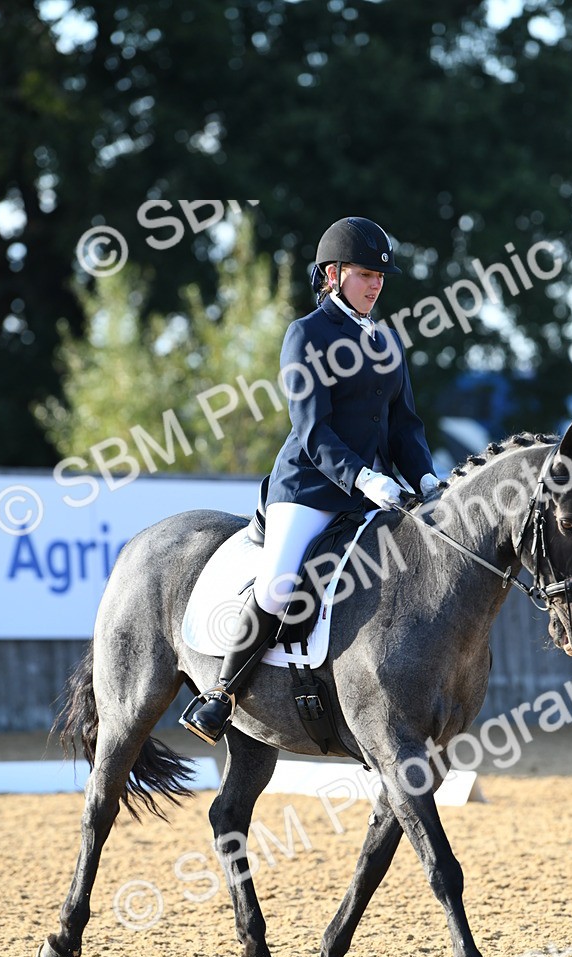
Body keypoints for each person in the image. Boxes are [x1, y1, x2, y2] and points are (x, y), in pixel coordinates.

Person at [181, 216, 440, 744]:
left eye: (380, 277)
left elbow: (405, 426)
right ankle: (220, 694)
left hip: (372, 494)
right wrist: (364, 478)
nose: (375, 285)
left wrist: (428, 480)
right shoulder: (306, 335)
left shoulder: (387, 341)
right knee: (278, 585)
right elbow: (311, 428)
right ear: (333, 273)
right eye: (366, 274)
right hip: (310, 488)